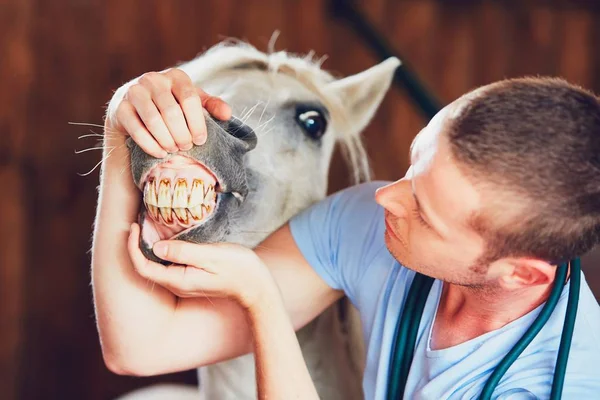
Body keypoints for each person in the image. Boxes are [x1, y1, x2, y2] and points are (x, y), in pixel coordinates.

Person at [92, 69, 600, 399]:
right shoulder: (373, 225)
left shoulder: (556, 385)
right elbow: (142, 346)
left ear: (520, 274)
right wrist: (125, 129)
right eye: (413, 165)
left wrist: (261, 300)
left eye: (425, 212)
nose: (385, 196)